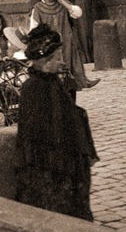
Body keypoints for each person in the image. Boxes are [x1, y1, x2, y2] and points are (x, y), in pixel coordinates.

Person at [15, 24, 98, 220]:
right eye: (56, 57)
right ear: (43, 61)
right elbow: (36, 129)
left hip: (64, 152)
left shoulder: (53, 81)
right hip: (48, 157)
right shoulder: (33, 88)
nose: (61, 61)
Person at [29, 0, 99, 91]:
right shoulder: (38, 8)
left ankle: (78, 81)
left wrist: (64, 2)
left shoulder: (62, 5)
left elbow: (78, 14)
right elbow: (33, 27)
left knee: (71, 59)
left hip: (66, 38)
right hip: (49, 41)